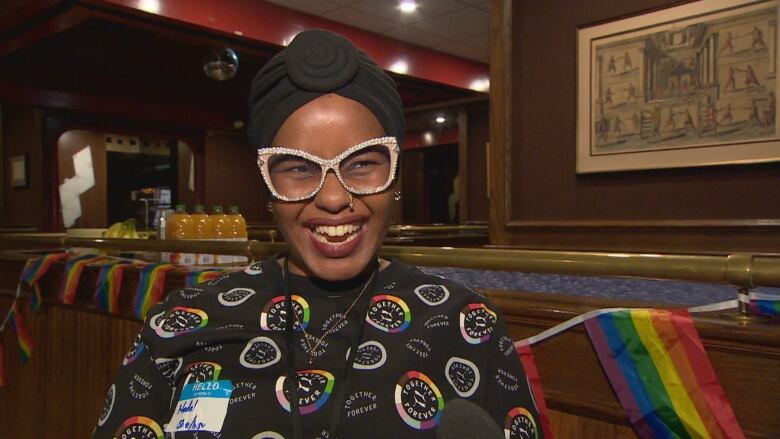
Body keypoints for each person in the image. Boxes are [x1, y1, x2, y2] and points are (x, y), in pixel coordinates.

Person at [92, 29, 543, 439]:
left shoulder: (465, 323)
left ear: (395, 176)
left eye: (362, 164)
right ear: (267, 185)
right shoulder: (183, 321)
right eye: (298, 168)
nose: (332, 198)